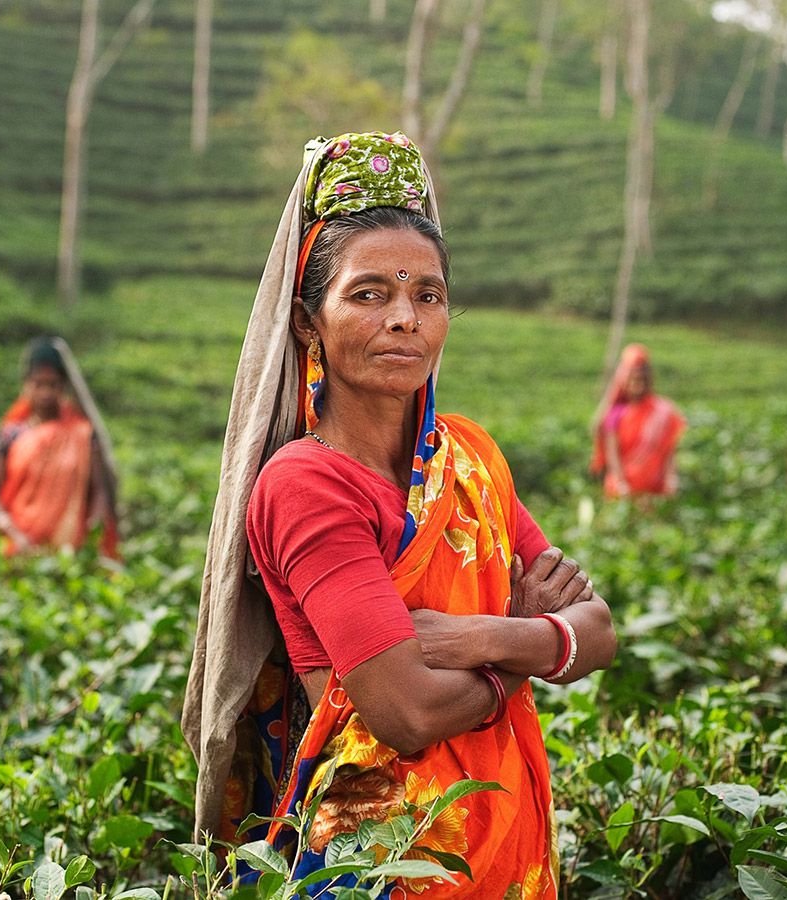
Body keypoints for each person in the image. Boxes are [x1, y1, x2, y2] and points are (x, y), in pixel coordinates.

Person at [182, 132, 616, 897]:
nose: (406, 319)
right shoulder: (307, 485)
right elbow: (406, 713)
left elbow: (602, 630)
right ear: (308, 321)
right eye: (369, 293)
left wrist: (482, 636)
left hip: (500, 828)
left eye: (428, 294)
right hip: (384, 855)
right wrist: (531, 650)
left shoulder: (471, 454)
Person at [0, 337, 119, 558]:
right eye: (38, 384)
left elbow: (99, 490)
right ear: (26, 385)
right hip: (16, 545)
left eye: (52, 385)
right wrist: (9, 530)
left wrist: (93, 531)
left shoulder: (82, 434)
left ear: (63, 386)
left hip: (70, 550)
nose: (45, 393)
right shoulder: (11, 434)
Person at [590, 343, 686, 499]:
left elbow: (669, 451)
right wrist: (621, 484)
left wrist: (671, 479)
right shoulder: (615, 413)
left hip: (655, 490)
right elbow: (612, 454)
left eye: (641, 379)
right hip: (623, 489)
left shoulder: (662, 411)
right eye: (633, 379)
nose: (637, 384)